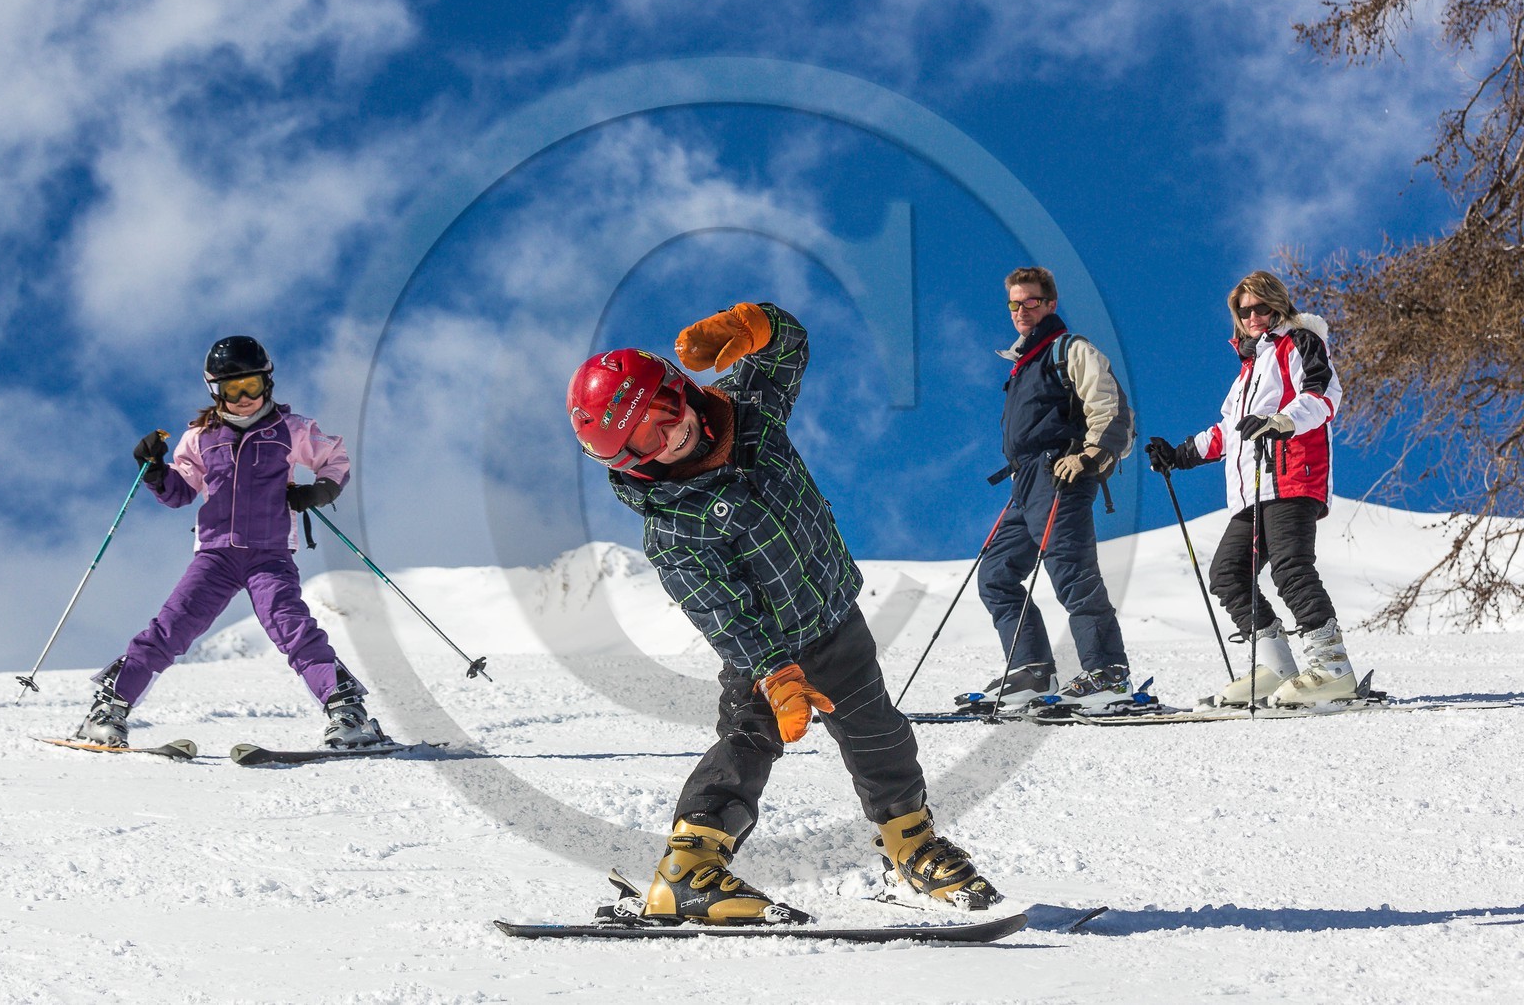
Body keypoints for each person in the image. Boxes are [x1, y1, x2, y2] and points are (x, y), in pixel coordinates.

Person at [566, 303, 998, 924]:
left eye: (664, 408)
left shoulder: (750, 415)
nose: (670, 433)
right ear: (629, 462)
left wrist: (759, 325)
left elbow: (786, 351)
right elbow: (722, 612)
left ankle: (909, 848)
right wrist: (774, 670)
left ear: (679, 385)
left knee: (881, 736)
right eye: (644, 439)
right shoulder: (674, 526)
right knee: (747, 743)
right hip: (767, 655)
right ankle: (688, 869)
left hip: (835, 620)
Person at [73, 336, 387, 749]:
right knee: (170, 629)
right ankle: (107, 710)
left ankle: (348, 713)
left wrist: (319, 491)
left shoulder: (291, 430)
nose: (243, 398)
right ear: (215, 391)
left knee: (293, 629)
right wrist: (153, 470)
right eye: (231, 389)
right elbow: (180, 491)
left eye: (251, 386)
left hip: (269, 554)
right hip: (215, 556)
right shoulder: (200, 437)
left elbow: (335, 458)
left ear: (268, 383)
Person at [1145, 270, 1357, 706]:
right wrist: (1179, 454)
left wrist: (1282, 421)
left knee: (1290, 568)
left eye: (1263, 307)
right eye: (1245, 310)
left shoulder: (1300, 342)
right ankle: (1276, 667)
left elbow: (1324, 394)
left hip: (1293, 475)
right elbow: (1229, 432)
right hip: (1252, 489)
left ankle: (1333, 668)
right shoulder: (1247, 370)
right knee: (1227, 574)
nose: (1255, 316)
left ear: (1278, 306)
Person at [973, 266, 1136, 711]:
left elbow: (1113, 408)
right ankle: (1031, 669)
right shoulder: (1024, 363)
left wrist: (1088, 456)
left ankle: (1108, 673)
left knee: (1072, 571)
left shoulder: (1069, 350)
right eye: (1014, 303)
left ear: (1049, 304)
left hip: (1059, 474)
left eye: (1030, 302)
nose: (1021, 310)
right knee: (995, 575)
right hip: (1024, 482)